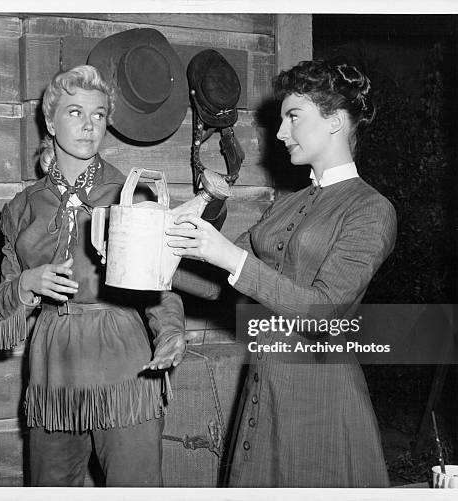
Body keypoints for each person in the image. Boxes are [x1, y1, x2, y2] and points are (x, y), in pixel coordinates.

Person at [167, 59, 397, 487]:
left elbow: (325, 313)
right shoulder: (289, 203)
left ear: (334, 121)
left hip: (322, 403)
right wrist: (156, 258)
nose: (280, 132)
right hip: (264, 393)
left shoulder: (370, 210)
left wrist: (230, 259)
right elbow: (221, 286)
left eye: (294, 117)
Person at [0, 65, 188, 487]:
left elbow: (161, 285)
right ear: (50, 121)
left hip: (122, 362)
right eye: (75, 112)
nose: (88, 126)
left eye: (98, 115)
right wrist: (28, 284)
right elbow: (4, 297)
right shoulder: (22, 208)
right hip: (54, 368)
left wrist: (171, 332)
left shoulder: (132, 193)